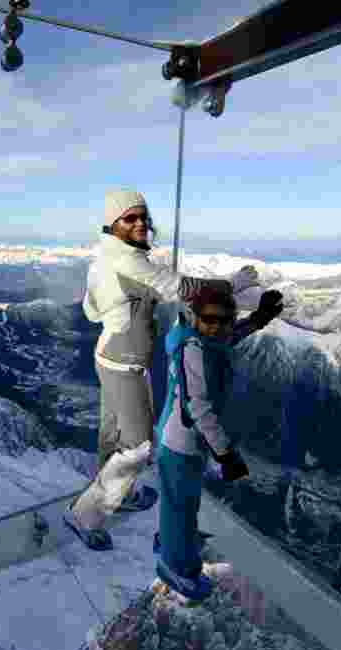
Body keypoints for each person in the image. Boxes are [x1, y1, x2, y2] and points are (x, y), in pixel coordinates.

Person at [64, 188, 262, 551]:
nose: (140, 223)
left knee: (113, 436)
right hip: (125, 365)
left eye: (143, 217)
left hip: (109, 356)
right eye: (130, 218)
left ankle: (120, 493)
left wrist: (127, 307)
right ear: (113, 223)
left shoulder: (104, 258)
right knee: (138, 446)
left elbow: (92, 310)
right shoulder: (128, 262)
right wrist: (231, 285)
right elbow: (183, 287)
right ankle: (84, 516)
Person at [153, 284, 284, 601]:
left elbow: (229, 336)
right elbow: (196, 406)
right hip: (182, 442)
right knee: (181, 508)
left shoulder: (202, 339)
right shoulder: (192, 350)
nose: (218, 326)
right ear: (195, 318)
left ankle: (171, 542)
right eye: (210, 319)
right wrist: (226, 455)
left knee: (180, 503)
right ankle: (175, 567)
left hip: (186, 441)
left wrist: (259, 318)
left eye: (225, 319)